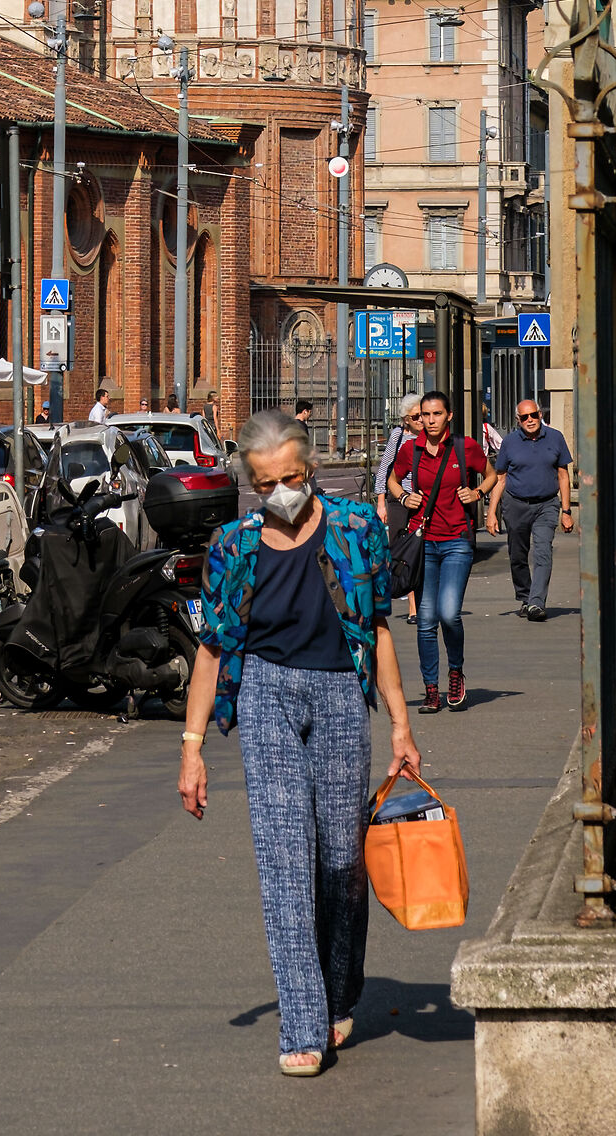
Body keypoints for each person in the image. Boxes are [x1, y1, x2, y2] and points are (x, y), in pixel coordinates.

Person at [179, 409, 418, 1077]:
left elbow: (378, 629)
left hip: (343, 695)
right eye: (265, 484)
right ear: (251, 486)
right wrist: (192, 748)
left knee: (341, 862)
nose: (280, 491)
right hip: (265, 696)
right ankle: (302, 1027)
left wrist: (400, 724)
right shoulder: (233, 547)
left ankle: (341, 991)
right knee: (285, 863)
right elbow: (211, 649)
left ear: (310, 470)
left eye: (291, 477)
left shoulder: (354, 528)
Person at [387, 389, 495, 712]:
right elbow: (393, 480)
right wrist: (405, 498)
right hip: (424, 543)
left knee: (449, 613)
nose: (429, 421)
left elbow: (491, 475)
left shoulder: (465, 448)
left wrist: (476, 494)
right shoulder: (411, 449)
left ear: (449, 416)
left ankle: (456, 671)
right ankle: (431, 688)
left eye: (436, 414)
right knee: (425, 620)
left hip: (457, 541)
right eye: (425, 415)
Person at [486, 399, 573, 621]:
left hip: (546, 504)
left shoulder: (555, 438)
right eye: (524, 417)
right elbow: (501, 478)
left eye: (533, 415)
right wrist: (491, 513)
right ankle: (525, 596)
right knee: (517, 554)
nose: (530, 420)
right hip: (515, 505)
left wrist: (566, 511)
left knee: (543, 552)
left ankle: (536, 602)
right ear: (518, 420)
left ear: (540, 414)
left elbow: (563, 475)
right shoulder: (510, 442)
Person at [374, 394, 423, 622]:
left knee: (421, 549)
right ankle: (413, 606)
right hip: (399, 499)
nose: (422, 419)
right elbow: (384, 469)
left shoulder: (431, 437)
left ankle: (421, 603)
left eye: (423, 414)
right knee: (403, 551)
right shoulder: (398, 435)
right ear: (406, 420)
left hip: (422, 499)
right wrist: (381, 502)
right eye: (416, 416)